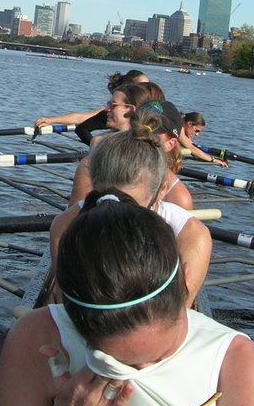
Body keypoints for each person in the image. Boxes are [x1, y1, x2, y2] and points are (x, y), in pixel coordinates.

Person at [0, 192, 254, 406]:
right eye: (115, 363)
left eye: (160, 357)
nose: (139, 377)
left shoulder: (244, 372)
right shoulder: (39, 337)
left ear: (187, 282)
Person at [50, 124, 212, 308]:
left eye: (128, 202)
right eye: (106, 198)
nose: (117, 208)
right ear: (93, 184)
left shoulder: (191, 235)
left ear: (162, 190)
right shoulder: (64, 224)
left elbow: (180, 310)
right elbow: (62, 298)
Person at [34, 69, 148, 144]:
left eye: (148, 85)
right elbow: (82, 119)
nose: (148, 88)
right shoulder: (113, 111)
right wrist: (51, 120)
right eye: (143, 85)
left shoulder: (154, 108)